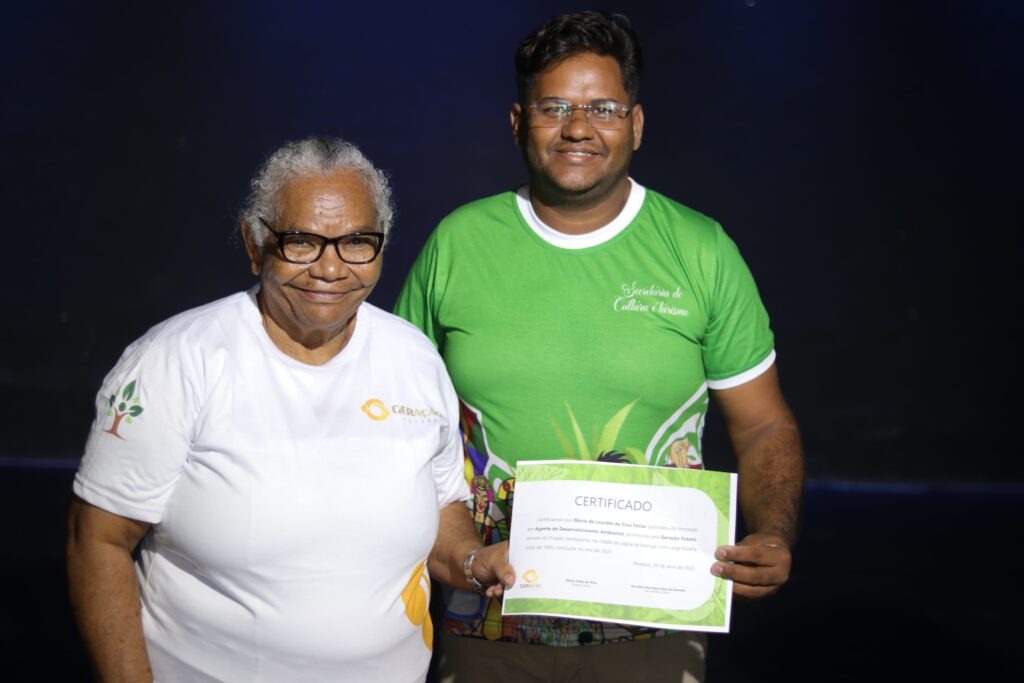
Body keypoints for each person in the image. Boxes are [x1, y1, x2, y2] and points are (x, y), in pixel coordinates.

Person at [395, 11, 804, 682]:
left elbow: (763, 424)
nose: (578, 127)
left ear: (636, 125)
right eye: (553, 107)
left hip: (653, 630)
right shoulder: (458, 244)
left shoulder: (701, 250)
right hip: (487, 621)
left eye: (603, 108)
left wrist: (773, 532)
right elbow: (399, 420)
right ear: (518, 122)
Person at [66, 136, 513, 683]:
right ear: (254, 246)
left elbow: (442, 506)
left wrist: (472, 562)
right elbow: (98, 541)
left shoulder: (414, 357)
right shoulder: (176, 360)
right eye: (301, 242)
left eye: (356, 242)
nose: (330, 268)